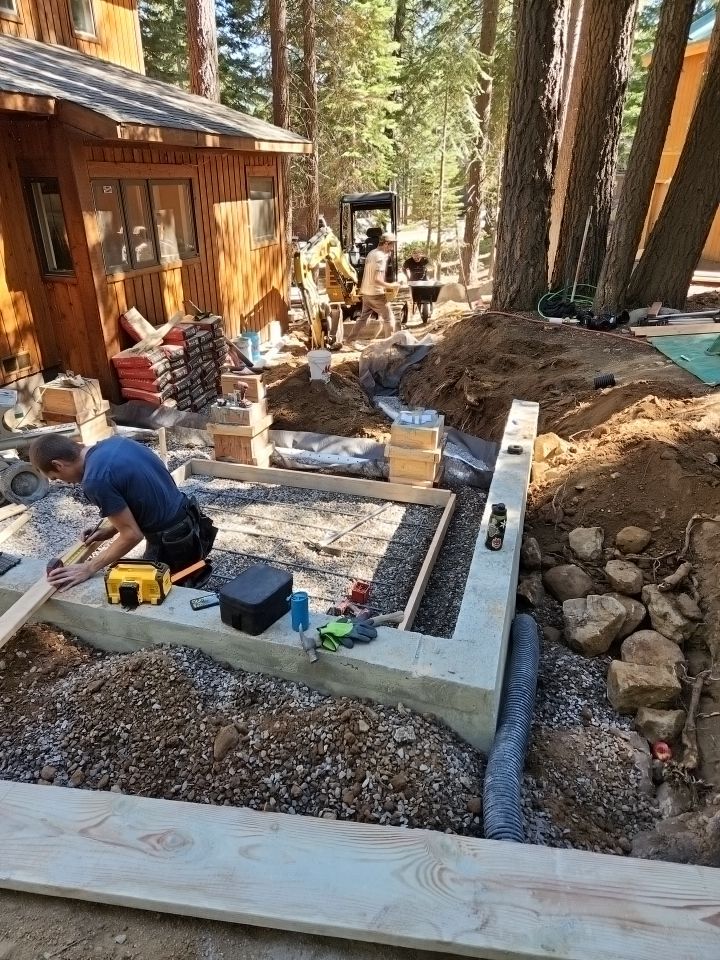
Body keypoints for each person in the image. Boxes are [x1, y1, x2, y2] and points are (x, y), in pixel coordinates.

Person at [29, 434, 217, 590]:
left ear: (58, 464)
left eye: (56, 477)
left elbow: (132, 536)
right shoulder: (116, 442)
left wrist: (88, 568)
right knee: (186, 575)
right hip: (190, 520)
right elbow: (141, 494)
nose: (63, 482)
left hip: (171, 542)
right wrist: (111, 530)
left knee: (159, 591)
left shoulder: (95, 481)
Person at [358, 231, 398, 328]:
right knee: (389, 319)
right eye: (392, 245)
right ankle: (390, 343)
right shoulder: (380, 257)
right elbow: (376, 280)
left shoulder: (371, 253)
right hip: (376, 294)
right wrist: (392, 285)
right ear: (386, 244)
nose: (392, 249)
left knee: (363, 319)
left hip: (366, 293)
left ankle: (350, 340)